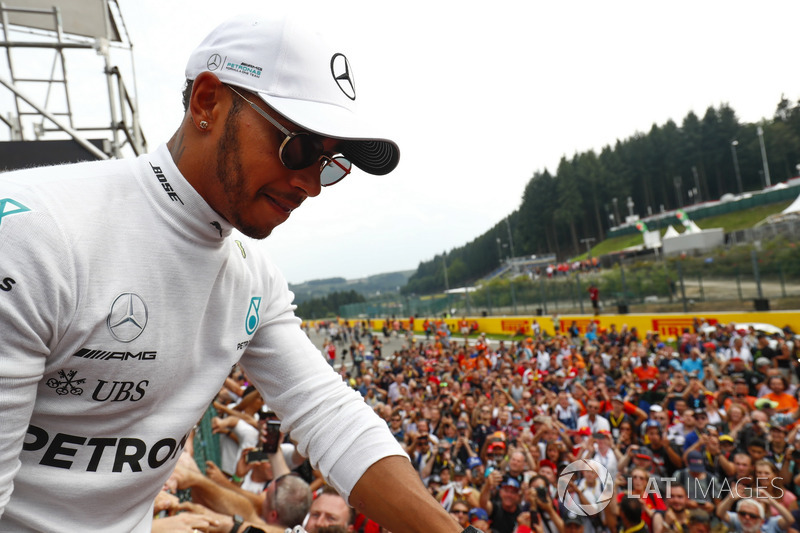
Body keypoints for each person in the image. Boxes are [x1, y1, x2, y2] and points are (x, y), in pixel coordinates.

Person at [0, 11, 464, 533]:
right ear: (207, 102)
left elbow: (331, 416)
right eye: (301, 147)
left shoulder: (252, 280)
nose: (310, 183)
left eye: (330, 164)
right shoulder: (32, 238)